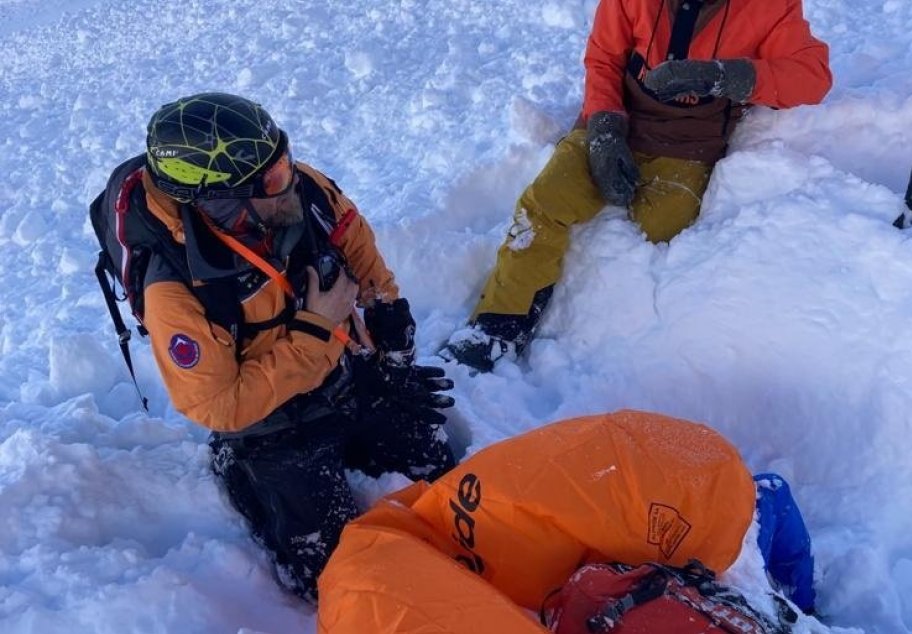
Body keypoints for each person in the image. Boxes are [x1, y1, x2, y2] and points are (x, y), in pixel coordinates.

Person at [116, 93, 457, 602]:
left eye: (284, 161)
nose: (291, 178)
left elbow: (353, 239)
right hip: (269, 419)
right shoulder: (174, 291)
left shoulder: (298, 190)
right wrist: (317, 330)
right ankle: (245, 472)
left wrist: (385, 315)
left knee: (446, 480)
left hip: (346, 374)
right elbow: (218, 404)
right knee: (338, 574)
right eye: (273, 179)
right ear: (220, 200)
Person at [440, 0, 833, 372]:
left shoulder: (772, 7)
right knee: (544, 203)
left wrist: (723, 75)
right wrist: (605, 130)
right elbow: (604, 58)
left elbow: (812, 76)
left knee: (664, 227)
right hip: (614, 118)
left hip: (690, 143)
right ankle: (499, 323)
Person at [317, 410, 815, 633]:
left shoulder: (375, 576)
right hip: (682, 479)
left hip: (682, 491)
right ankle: (801, 598)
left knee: (744, 504)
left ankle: (799, 598)